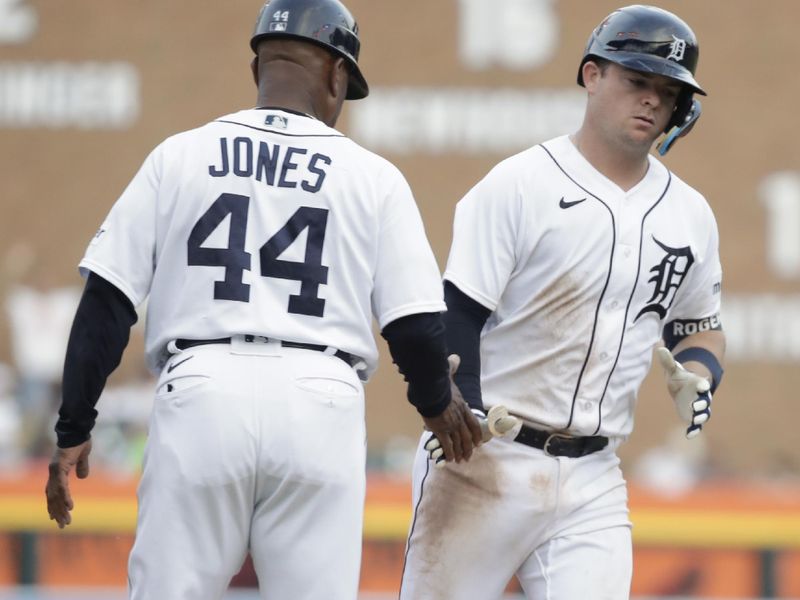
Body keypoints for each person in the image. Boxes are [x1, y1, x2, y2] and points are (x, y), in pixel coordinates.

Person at [44, 0, 482, 598]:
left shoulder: (181, 155)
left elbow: (107, 302)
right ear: (336, 75)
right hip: (319, 396)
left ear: (259, 68)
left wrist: (74, 426)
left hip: (201, 388)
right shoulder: (372, 175)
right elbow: (414, 325)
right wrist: (438, 405)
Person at [400, 5, 725, 599]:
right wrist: (461, 405)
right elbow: (460, 312)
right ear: (592, 74)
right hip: (486, 455)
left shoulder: (690, 214)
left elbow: (700, 325)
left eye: (668, 91)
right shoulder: (521, 182)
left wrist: (701, 370)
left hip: (595, 474)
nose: (652, 101)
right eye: (636, 80)